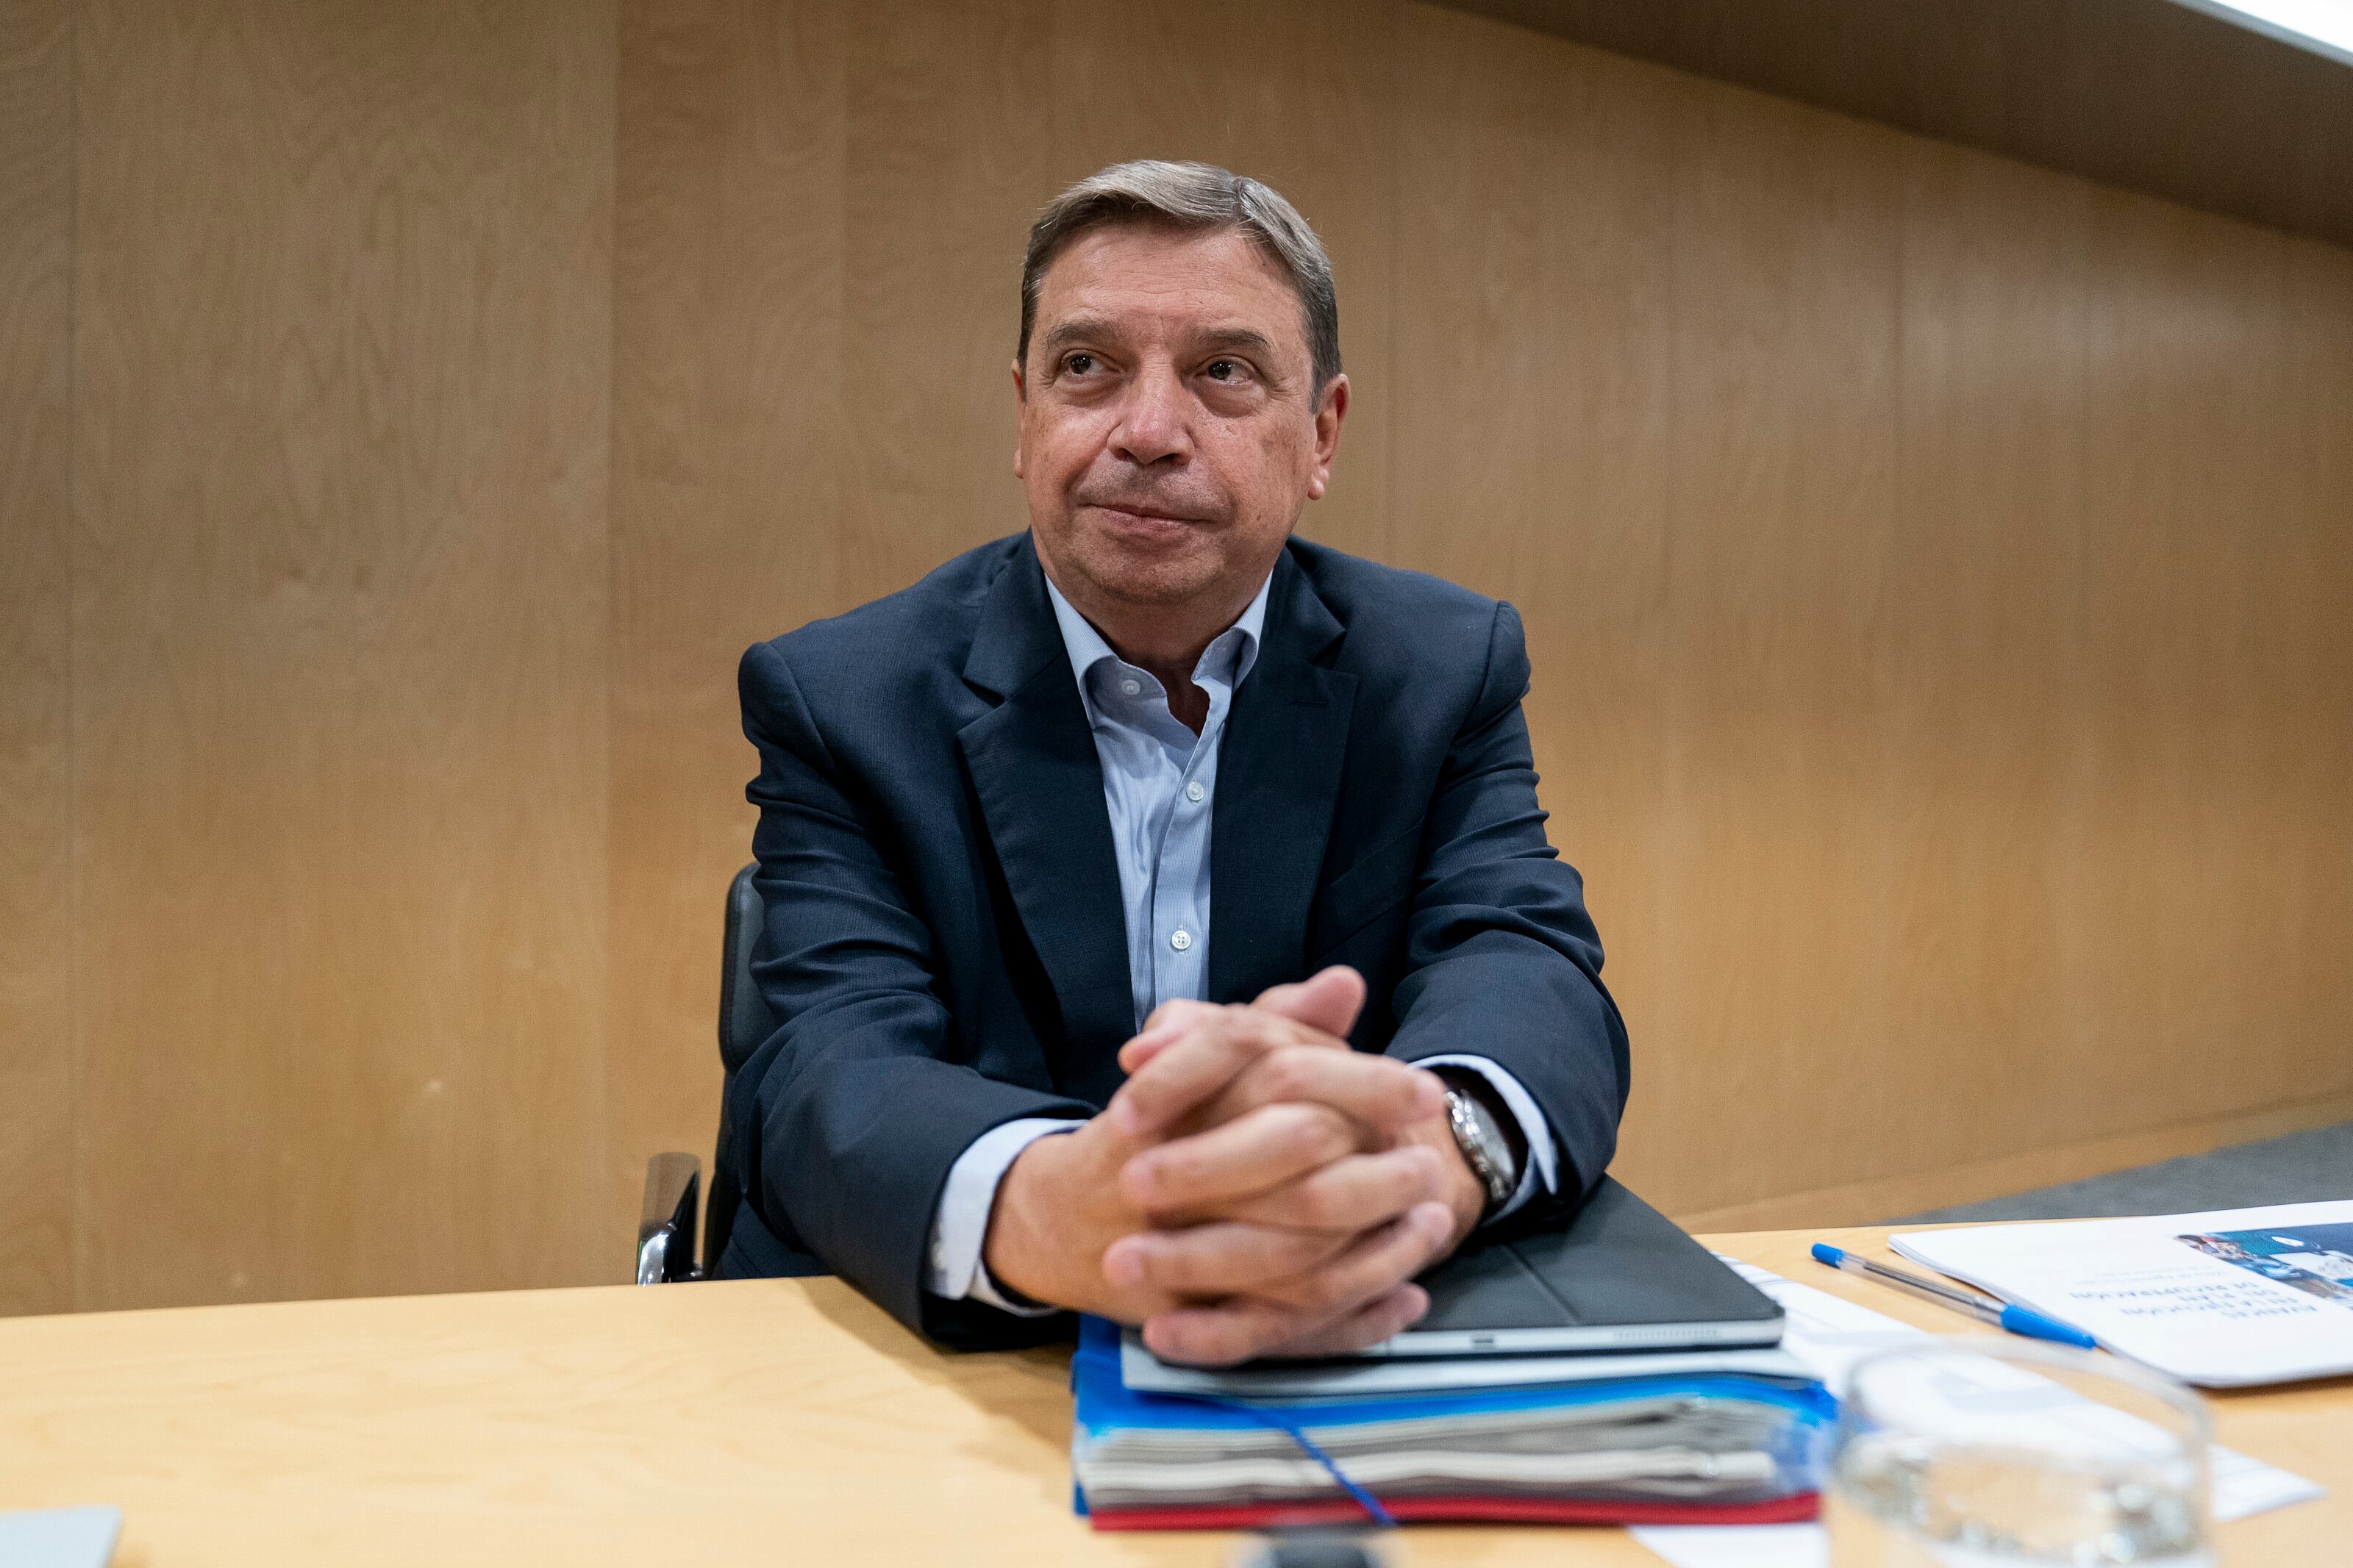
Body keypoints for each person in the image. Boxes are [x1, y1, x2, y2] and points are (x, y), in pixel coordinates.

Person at [719, 160, 1629, 1366]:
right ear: (1024, 415)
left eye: (1224, 372)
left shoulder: (1440, 670)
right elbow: (826, 1065)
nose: (1147, 433)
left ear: (1321, 435)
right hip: (958, 1363)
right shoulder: (844, 698)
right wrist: (1060, 1206)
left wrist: (1427, 1153)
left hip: (1336, 1332)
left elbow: (1522, 961)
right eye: (1087, 366)